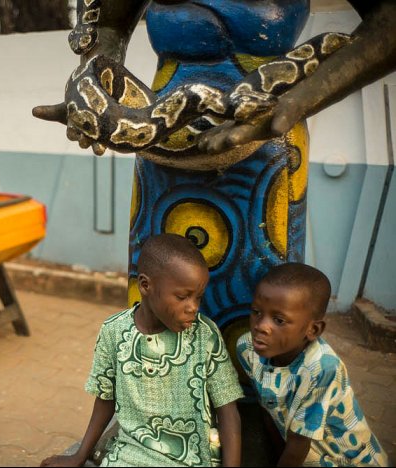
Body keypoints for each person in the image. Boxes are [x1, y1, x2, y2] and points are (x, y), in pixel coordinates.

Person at [33, 1, 396, 350]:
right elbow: (106, 25)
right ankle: (147, 395)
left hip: (265, 157)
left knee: (259, 302)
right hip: (159, 163)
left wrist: (294, 104)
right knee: (156, 298)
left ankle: (250, 408)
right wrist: (93, 98)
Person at [41, 233, 244, 467]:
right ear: (145, 285)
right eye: (182, 297)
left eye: (198, 297)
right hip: (129, 456)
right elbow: (105, 399)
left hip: (191, 460)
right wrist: (80, 455)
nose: (193, 307)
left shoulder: (204, 334)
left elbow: (228, 410)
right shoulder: (114, 332)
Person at [236, 263, 389, 467]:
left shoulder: (322, 369)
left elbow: (298, 446)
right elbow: (269, 409)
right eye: (256, 312)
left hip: (347, 460)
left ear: (313, 330)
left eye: (279, 320)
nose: (261, 326)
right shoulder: (247, 349)